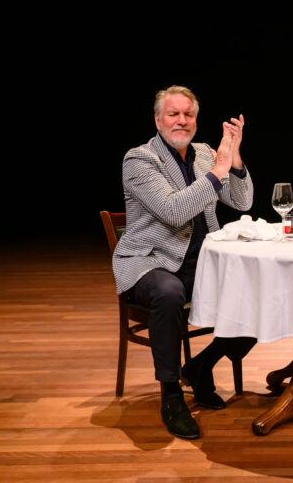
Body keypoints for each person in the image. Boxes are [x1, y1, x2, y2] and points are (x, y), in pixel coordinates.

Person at [112, 85, 257, 439]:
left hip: (200, 262)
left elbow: (243, 202)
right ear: (158, 119)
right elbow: (175, 211)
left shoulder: (206, 156)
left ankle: (199, 366)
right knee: (168, 291)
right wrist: (218, 169)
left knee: (259, 288)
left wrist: (233, 160)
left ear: (196, 119)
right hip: (149, 261)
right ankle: (172, 396)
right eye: (173, 114)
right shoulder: (140, 159)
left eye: (188, 114)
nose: (181, 120)